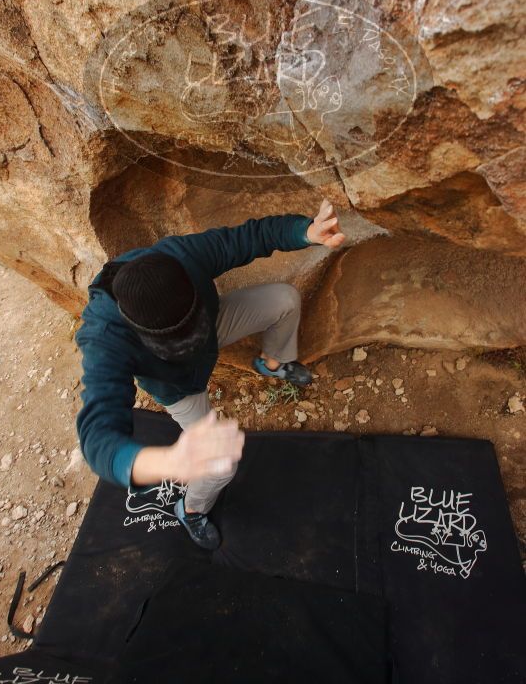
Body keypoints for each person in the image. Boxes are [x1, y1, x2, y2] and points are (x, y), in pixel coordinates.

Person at [75, 199, 345, 550]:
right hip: (179, 388)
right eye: (177, 342)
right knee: (220, 467)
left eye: (189, 331)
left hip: (211, 327)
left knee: (285, 300)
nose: (188, 344)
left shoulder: (184, 256)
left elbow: (251, 236)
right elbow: (97, 438)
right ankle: (191, 510)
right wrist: (170, 461)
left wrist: (305, 231)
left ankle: (272, 363)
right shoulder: (105, 336)